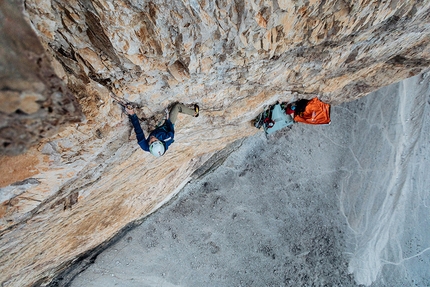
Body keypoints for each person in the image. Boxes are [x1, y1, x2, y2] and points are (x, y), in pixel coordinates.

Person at [125, 103, 199, 157]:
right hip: (166, 128)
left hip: (158, 130)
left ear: (149, 146)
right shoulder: (169, 137)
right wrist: (167, 119)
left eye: (151, 142)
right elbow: (170, 128)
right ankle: (195, 113)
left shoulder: (144, 146)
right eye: (155, 141)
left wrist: (132, 114)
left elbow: (138, 130)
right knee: (177, 107)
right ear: (160, 141)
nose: (153, 139)